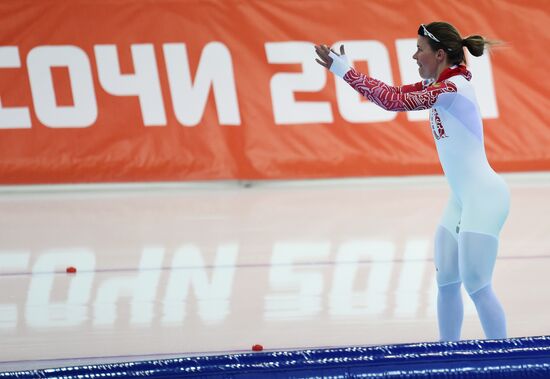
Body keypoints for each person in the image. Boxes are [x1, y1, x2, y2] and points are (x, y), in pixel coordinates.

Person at [315, 22, 509, 341]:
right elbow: (390, 95)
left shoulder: (452, 89)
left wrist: (343, 72)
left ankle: (507, 366)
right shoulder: (439, 85)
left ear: (440, 54)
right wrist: (346, 70)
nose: (414, 55)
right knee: (447, 281)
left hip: (485, 199)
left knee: (477, 285)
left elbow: (392, 101)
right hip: (461, 200)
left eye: (420, 49)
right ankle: (448, 360)